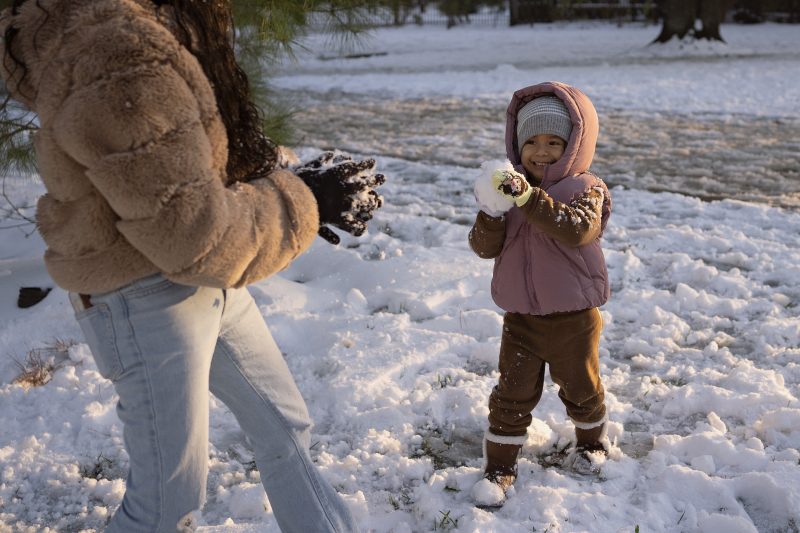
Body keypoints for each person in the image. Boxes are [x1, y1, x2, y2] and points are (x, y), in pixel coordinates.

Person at [0, 0, 384, 531]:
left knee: (284, 428)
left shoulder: (139, 25)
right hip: (144, 291)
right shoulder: (113, 47)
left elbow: (179, 162)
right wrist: (303, 202)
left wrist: (281, 176)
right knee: (166, 504)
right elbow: (188, 231)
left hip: (207, 278)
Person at [468, 81, 612, 508]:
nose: (542, 151)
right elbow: (483, 247)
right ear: (517, 145)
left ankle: (591, 443)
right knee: (511, 393)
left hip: (574, 319)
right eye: (531, 141)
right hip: (522, 320)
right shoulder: (509, 191)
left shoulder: (586, 188)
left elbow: (577, 230)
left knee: (581, 389)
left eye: (554, 141)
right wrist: (493, 212)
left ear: (574, 145)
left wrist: (528, 198)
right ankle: (499, 467)